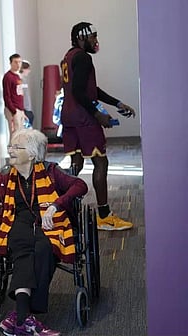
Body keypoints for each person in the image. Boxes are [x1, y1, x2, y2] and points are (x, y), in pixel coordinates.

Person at [0, 129, 88, 336]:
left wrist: (55, 205)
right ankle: (26, 320)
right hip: (16, 223)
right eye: (11, 146)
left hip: (50, 222)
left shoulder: (52, 172)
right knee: (23, 247)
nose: (11, 150)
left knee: (45, 247)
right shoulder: (4, 179)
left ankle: (20, 316)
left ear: (33, 154)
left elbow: (80, 185)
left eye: (17, 147)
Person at [60, 22, 136, 231]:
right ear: (81, 38)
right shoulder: (84, 57)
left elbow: (89, 88)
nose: (96, 40)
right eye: (93, 36)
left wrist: (117, 103)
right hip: (84, 118)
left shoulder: (67, 57)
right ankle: (104, 216)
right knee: (101, 163)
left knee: (76, 163)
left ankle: (66, 210)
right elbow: (79, 92)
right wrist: (98, 115)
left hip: (68, 117)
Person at [2, 53, 27, 137]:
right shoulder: (8, 77)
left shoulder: (18, 77)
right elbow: (6, 95)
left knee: (20, 134)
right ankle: (13, 150)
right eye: (15, 62)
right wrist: (13, 110)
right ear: (11, 63)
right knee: (14, 134)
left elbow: (20, 94)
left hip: (20, 109)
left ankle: (19, 150)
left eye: (19, 62)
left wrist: (22, 110)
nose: (18, 64)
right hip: (13, 109)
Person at [20, 60, 35, 127]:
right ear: (23, 69)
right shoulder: (20, 80)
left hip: (28, 108)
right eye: (28, 69)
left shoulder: (24, 80)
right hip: (25, 109)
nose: (29, 71)